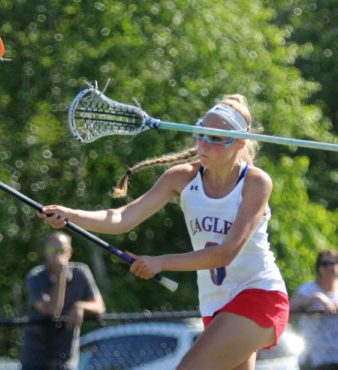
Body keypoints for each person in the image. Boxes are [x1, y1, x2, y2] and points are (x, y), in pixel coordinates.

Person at [41, 94, 289, 370]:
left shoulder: (255, 183)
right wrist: (71, 215)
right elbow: (122, 218)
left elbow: (225, 253)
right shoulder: (181, 178)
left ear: (239, 144)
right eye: (201, 134)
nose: (205, 144)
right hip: (214, 304)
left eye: (217, 139)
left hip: (258, 294)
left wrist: (161, 262)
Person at [20, 231, 105, 370]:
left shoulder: (81, 272)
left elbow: (100, 306)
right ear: (45, 252)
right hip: (36, 356)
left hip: (66, 355)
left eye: (61, 250)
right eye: (53, 249)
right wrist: (61, 274)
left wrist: (80, 306)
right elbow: (52, 311)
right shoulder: (35, 277)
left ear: (70, 252)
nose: (57, 254)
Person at [290, 249, 338, 370]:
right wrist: (315, 299)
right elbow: (288, 312)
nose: (330, 267)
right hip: (314, 359)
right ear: (318, 267)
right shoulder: (307, 290)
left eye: (334, 263)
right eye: (325, 263)